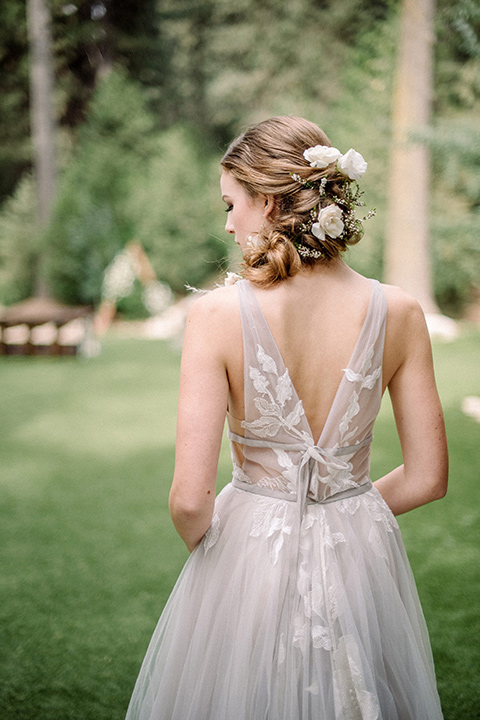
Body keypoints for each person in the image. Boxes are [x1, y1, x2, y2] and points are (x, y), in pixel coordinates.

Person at [125, 116, 448, 720]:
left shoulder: (216, 315)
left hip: (250, 550)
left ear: (270, 201)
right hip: (359, 549)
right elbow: (429, 477)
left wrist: (225, 555)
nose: (226, 223)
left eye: (231, 204)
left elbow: (190, 499)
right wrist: (341, 512)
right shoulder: (400, 311)